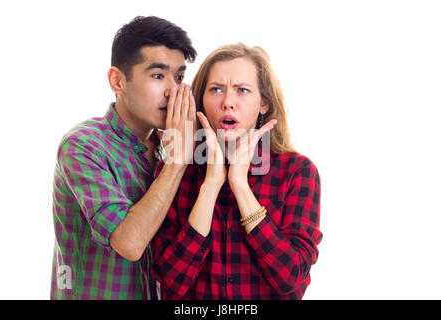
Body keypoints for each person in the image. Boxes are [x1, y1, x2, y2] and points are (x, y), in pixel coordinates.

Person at [152, 43, 322, 299]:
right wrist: (210, 186)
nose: (228, 103)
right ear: (201, 101)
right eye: (216, 90)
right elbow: (171, 282)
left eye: (242, 90)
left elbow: (291, 279)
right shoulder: (176, 170)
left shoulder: (298, 172)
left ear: (264, 103)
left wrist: (240, 185)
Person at [50, 16, 197, 300]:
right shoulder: (83, 145)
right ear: (118, 81)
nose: (173, 90)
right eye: (158, 75)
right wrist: (178, 159)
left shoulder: (167, 147)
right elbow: (129, 243)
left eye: (179, 77)